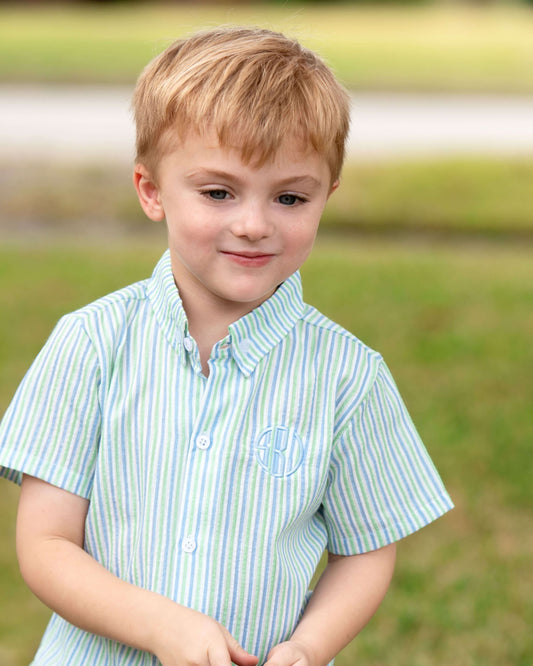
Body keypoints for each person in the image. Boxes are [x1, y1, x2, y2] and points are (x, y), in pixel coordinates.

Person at [0, 26, 453, 666]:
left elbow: (367, 548)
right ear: (152, 190)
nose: (253, 224)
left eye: (290, 197)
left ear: (325, 198)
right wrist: (160, 626)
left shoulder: (349, 376)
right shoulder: (91, 344)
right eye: (218, 192)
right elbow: (45, 544)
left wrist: (307, 646)